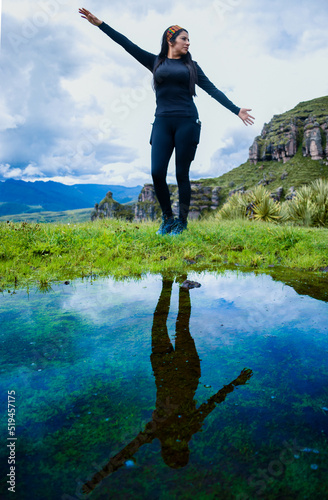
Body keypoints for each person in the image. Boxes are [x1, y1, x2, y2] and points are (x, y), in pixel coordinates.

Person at [79, 8, 255, 235]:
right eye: (184, 39)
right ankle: (168, 219)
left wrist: (236, 109)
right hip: (162, 122)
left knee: (182, 174)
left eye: (189, 39)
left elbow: (212, 90)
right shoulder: (155, 62)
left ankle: (182, 222)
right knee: (157, 172)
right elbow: (127, 44)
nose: (188, 43)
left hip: (187, 122)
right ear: (170, 40)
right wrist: (100, 24)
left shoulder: (192, 66)